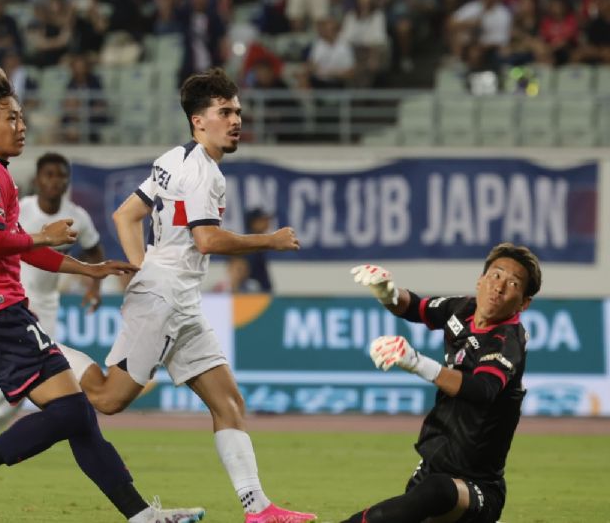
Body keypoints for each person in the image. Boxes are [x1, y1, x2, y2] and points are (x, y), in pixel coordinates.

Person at [0, 66, 205, 523]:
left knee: (79, 415)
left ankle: (142, 517)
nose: (21, 127)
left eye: (21, 117)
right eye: (10, 119)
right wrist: (43, 236)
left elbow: (12, 243)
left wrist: (88, 269)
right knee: (70, 413)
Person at [53, 68, 317, 523]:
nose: (236, 119)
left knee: (228, 402)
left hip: (176, 295)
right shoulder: (203, 174)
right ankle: (43, 351)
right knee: (108, 399)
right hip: (166, 298)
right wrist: (267, 240)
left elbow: (124, 215)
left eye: (237, 110)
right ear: (199, 120)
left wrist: (141, 267)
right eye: (225, 112)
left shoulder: (174, 157)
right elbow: (207, 241)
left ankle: (259, 510)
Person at [342, 242, 542, 523]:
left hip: (478, 488)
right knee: (429, 492)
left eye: (513, 283)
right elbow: (416, 307)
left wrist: (416, 362)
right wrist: (386, 291)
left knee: (439, 491)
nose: (499, 287)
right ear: (481, 280)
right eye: (495, 276)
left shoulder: (508, 341)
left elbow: (483, 389)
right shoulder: (463, 308)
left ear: (524, 302)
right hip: (433, 469)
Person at [0, 151, 105, 449]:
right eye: (49, 175)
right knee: (27, 371)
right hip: (15, 299)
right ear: (38, 180)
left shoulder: (76, 215)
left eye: (61, 176)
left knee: (32, 380)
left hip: (48, 304)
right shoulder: (23, 209)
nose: (55, 182)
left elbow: (94, 250)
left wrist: (95, 286)